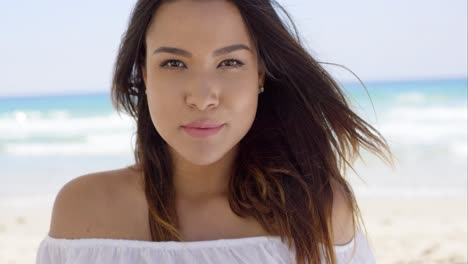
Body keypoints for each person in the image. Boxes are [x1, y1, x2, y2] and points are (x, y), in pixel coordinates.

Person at [36, 0, 394, 263]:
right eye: (174, 63)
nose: (202, 97)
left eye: (229, 62)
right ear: (144, 74)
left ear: (259, 75)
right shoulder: (83, 212)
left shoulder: (319, 211)